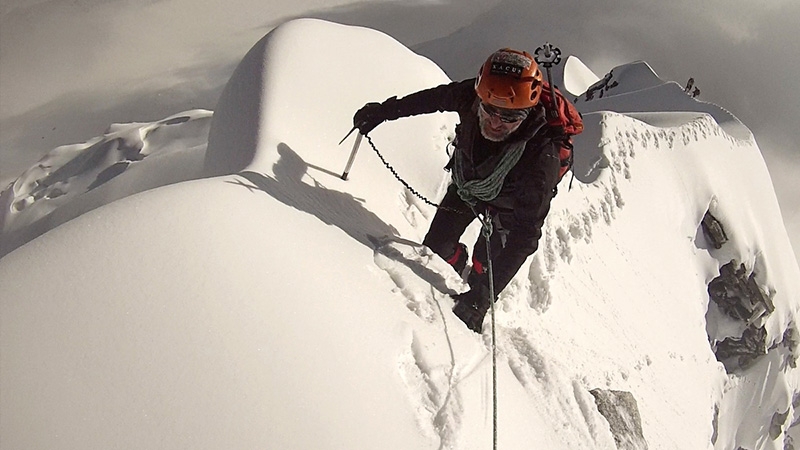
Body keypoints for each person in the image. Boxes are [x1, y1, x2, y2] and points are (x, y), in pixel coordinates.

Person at [353, 48, 564, 333]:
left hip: (510, 207)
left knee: (484, 268)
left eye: (510, 117)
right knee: (436, 248)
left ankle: (475, 275)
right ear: (482, 98)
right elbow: (435, 98)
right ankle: (459, 261)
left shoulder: (542, 157)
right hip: (470, 184)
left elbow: (524, 237)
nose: (496, 122)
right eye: (490, 110)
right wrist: (384, 112)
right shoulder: (473, 97)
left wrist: (482, 300)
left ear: (527, 114)